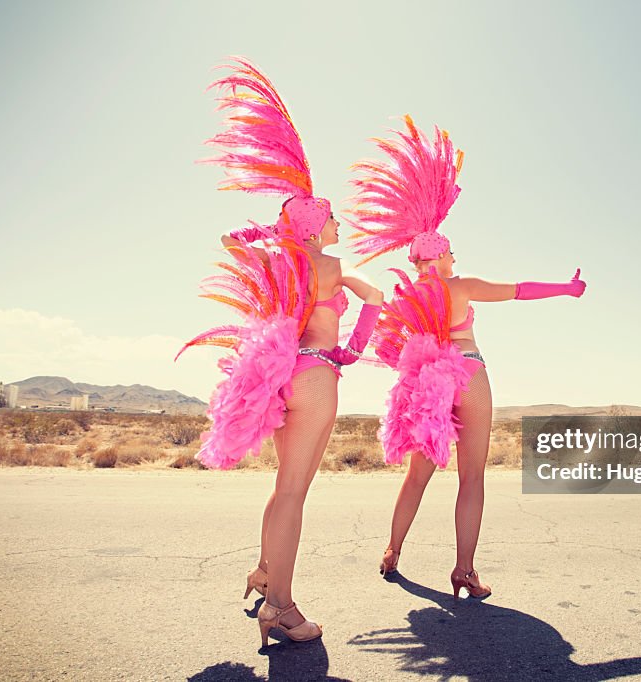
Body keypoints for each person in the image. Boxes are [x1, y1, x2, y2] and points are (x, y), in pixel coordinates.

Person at [177, 58, 382, 646]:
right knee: (295, 491)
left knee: (280, 488)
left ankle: (266, 572)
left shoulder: (282, 260)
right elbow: (376, 297)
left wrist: (277, 232)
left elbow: (229, 240)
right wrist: (351, 351)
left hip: (279, 374)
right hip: (316, 375)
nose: (340, 222)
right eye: (333, 217)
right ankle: (282, 608)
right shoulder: (333, 266)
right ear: (317, 226)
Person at [349, 116, 585, 600]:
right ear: (444, 257)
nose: (455, 258)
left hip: (428, 384)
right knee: (471, 478)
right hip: (470, 373)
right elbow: (519, 290)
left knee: (417, 477)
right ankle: (463, 571)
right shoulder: (462, 286)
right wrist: (568, 287)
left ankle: (392, 552)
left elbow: (391, 348)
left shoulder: (406, 295)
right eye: (451, 253)